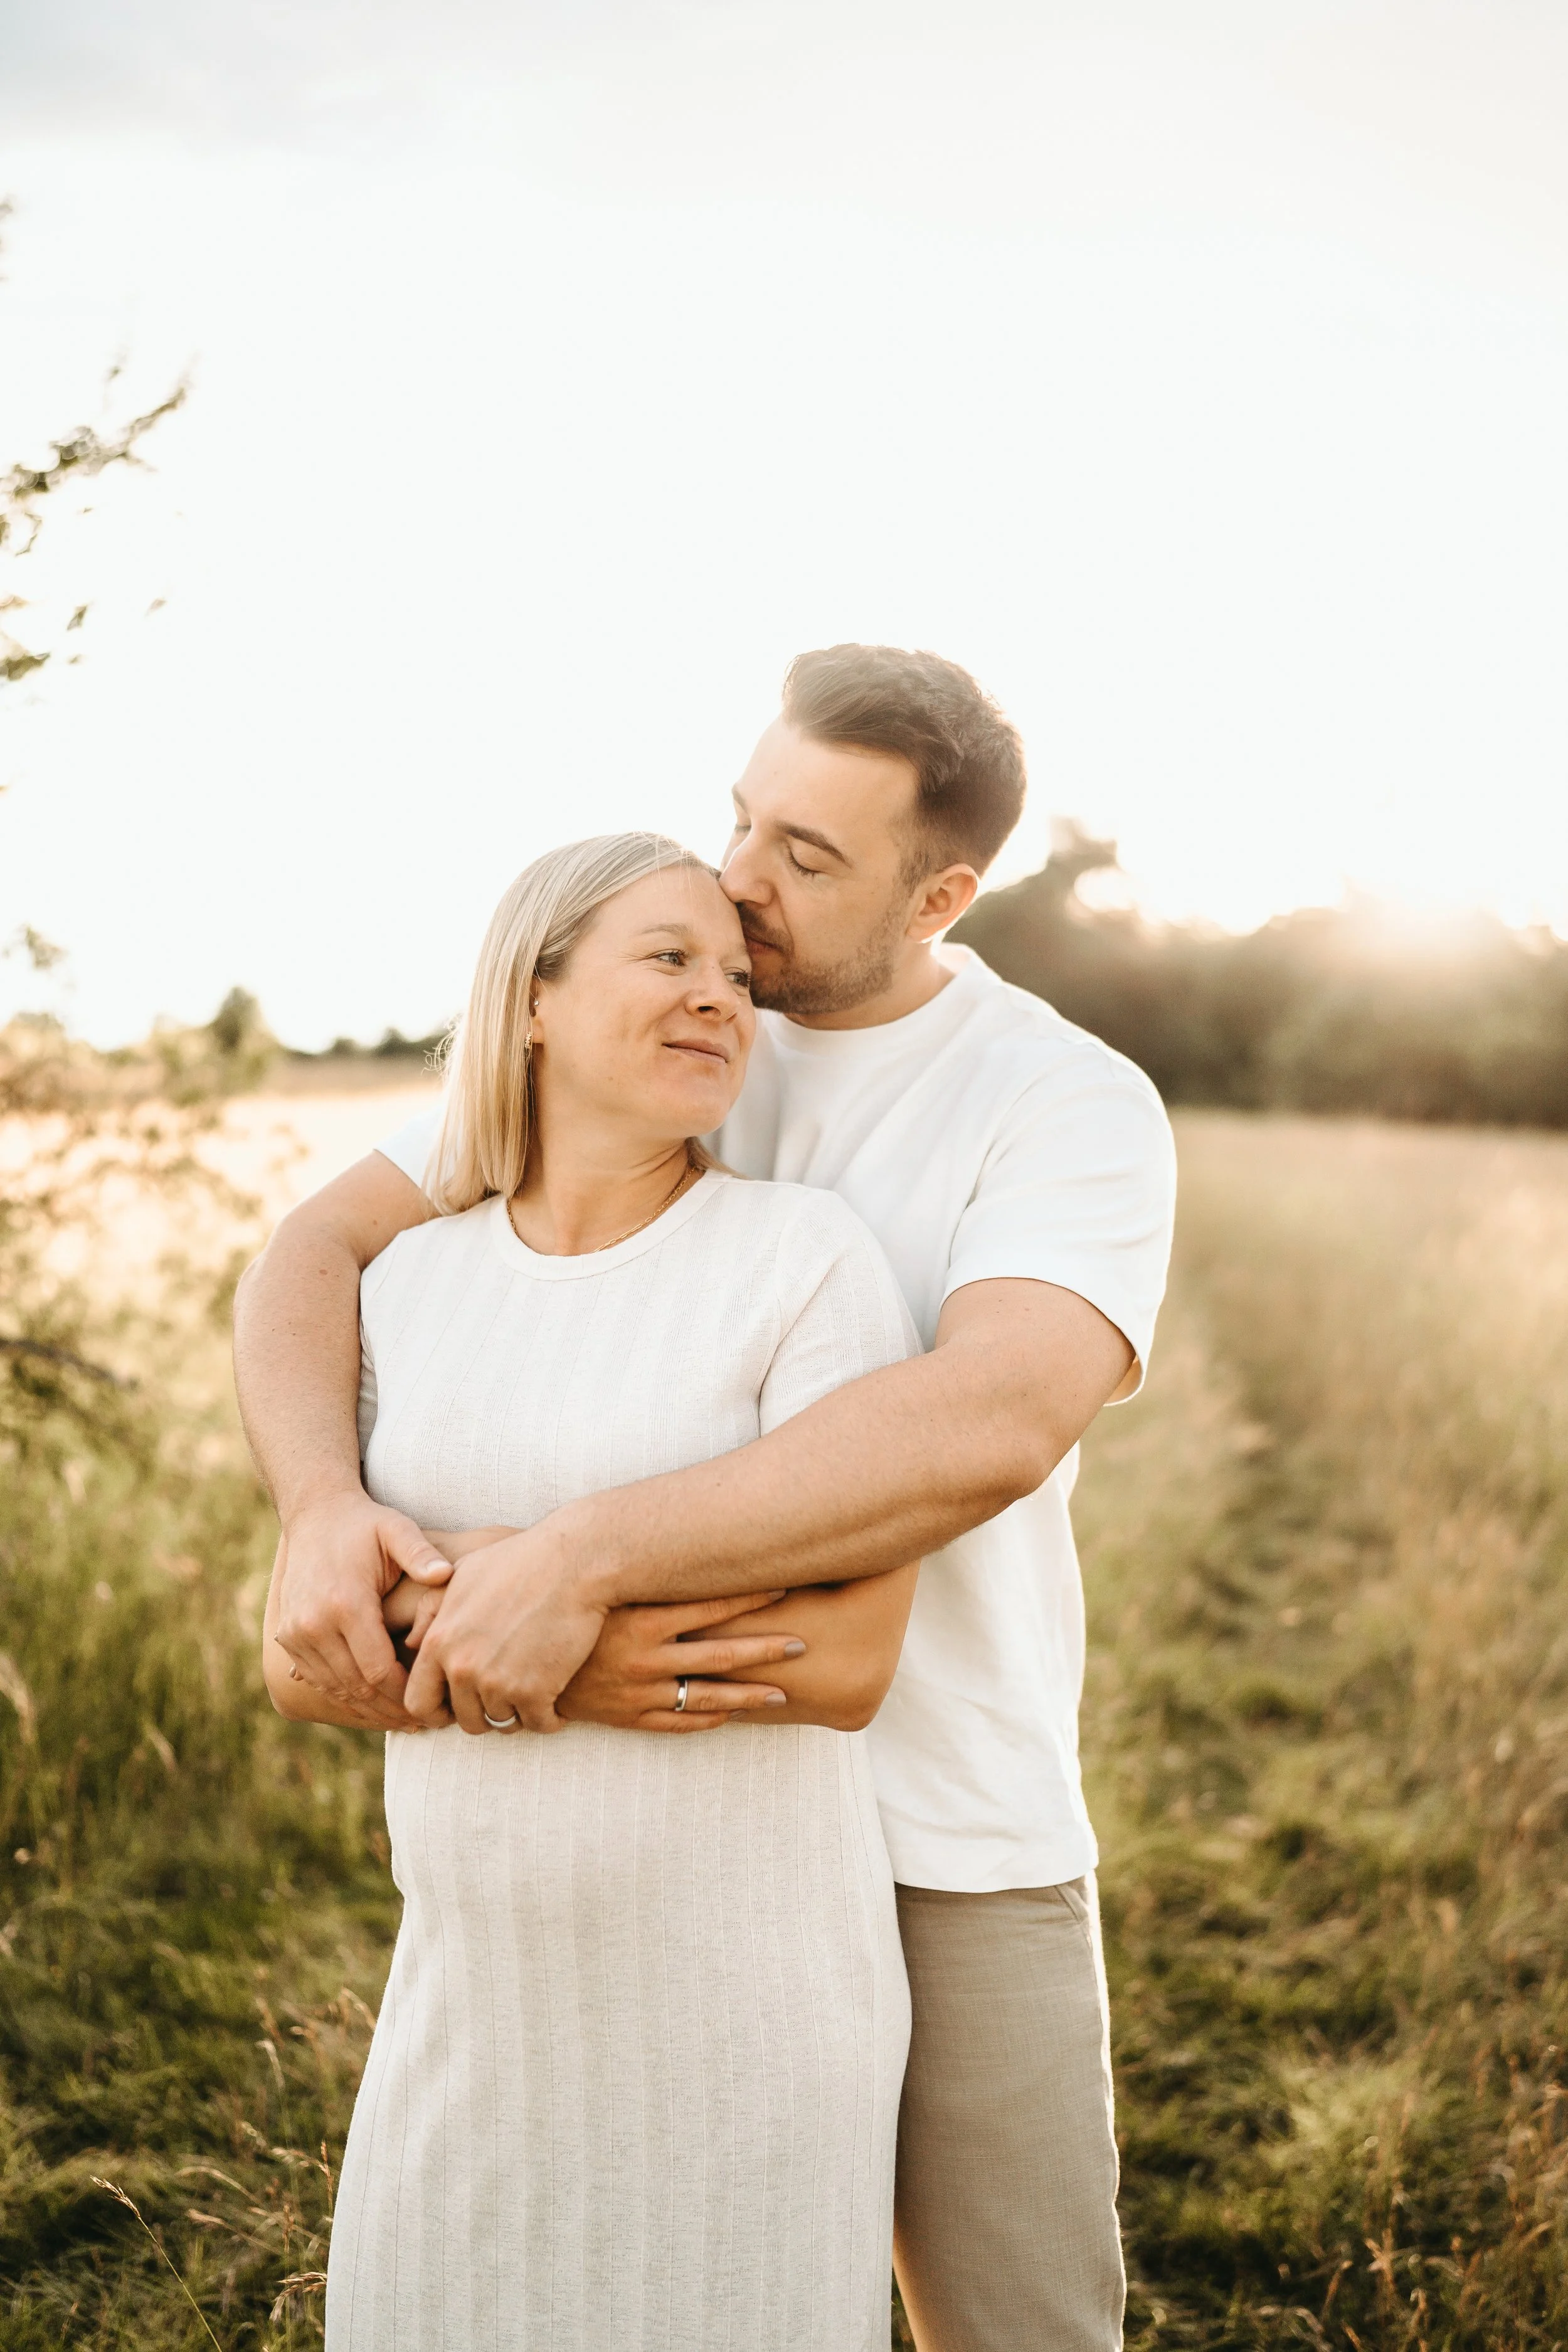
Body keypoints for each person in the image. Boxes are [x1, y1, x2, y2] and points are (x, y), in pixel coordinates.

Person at [236, 644, 1179, 2352]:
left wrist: (578, 1564)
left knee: (1017, 2322)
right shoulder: (655, 1024)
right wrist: (316, 1502)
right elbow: (318, 1248)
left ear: (940, 892)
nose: (742, 888)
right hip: (647, 1820)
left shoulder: (1061, 1102)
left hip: (937, 1814)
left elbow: (990, 1417)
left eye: (808, 859)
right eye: (745, 817)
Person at [263, 832, 923, 2349]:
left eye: (739, 978)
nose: (720, 1000)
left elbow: (845, 1661)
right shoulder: (411, 1287)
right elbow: (306, 1665)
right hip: (472, 2016)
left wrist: (508, 1607)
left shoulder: (803, 1262)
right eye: (669, 958)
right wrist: (505, 1608)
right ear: (534, 999)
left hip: (745, 2029)